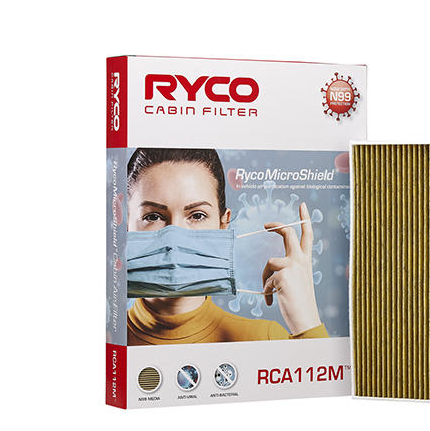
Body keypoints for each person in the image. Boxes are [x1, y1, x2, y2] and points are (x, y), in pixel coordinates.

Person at [125, 147, 327, 345]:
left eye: (197, 215)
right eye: (152, 217)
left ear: (223, 223)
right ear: (126, 223)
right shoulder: (110, 340)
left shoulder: (262, 338)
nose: (174, 239)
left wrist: (307, 322)